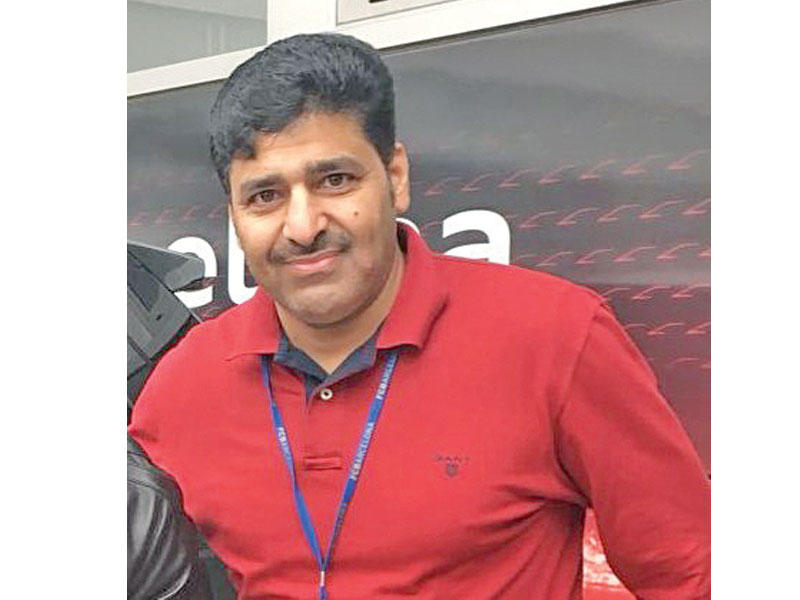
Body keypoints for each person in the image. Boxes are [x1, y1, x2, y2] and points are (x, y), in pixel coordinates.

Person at [128, 33, 710, 599]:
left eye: (334, 180)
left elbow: (694, 574)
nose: (302, 227)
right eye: (265, 196)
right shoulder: (183, 385)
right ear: (233, 213)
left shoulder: (557, 336)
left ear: (396, 177)